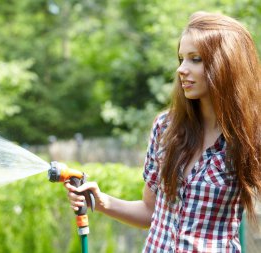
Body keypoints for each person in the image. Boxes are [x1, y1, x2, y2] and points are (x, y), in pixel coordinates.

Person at [64, 11, 261, 252]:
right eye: (181, 59)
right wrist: (100, 201)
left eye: (195, 59)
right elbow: (150, 212)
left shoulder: (248, 138)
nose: (182, 69)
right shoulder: (166, 128)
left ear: (226, 65)